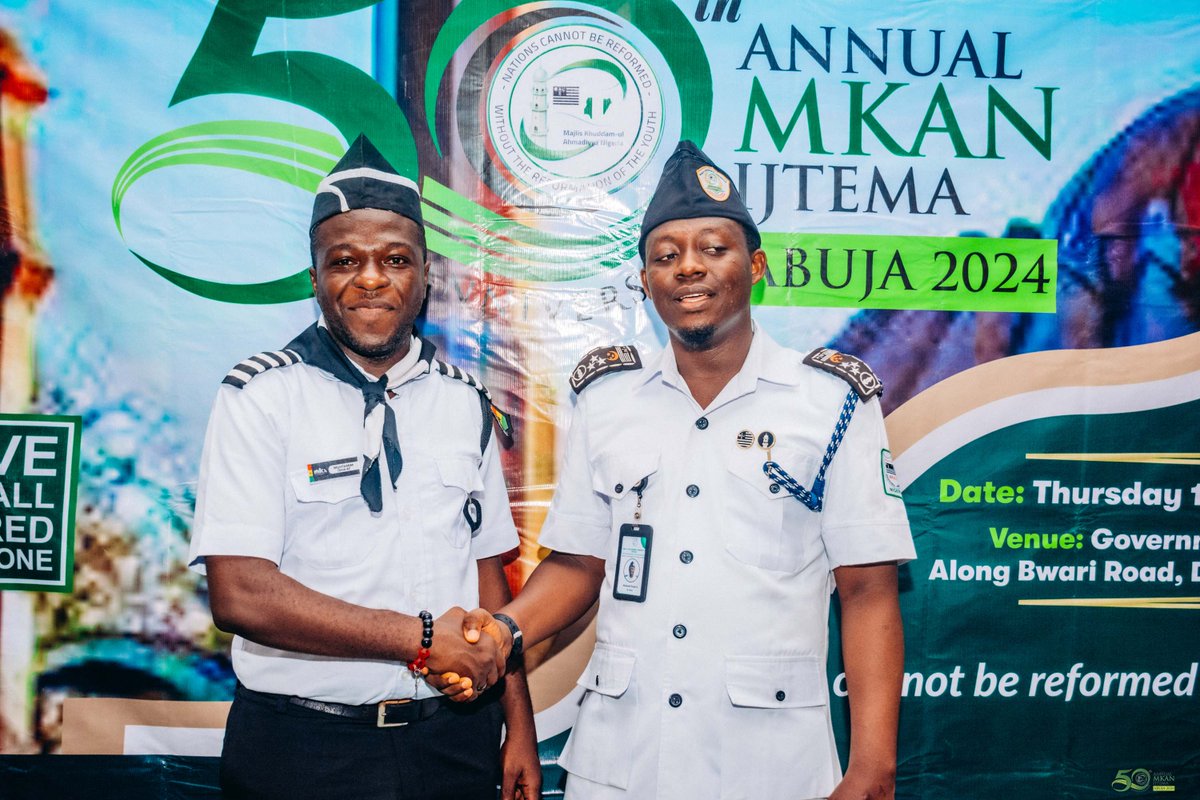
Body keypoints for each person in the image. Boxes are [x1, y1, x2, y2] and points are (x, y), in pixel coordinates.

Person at [469, 141, 916, 799]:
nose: (688, 268)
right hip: (618, 764)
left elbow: (869, 590)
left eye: (713, 248)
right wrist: (499, 634)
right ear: (645, 280)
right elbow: (576, 565)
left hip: (769, 768)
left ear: (755, 265)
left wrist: (873, 769)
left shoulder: (831, 402)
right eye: (666, 255)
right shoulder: (607, 396)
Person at [188, 134, 541, 800]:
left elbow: (488, 573)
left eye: (395, 259)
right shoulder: (260, 397)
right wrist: (422, 638)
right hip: (303, 751)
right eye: (345, 260)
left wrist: (516, 724)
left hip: (453, 743)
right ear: (315, 273)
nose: (371, 280)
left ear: (425, 273)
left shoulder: (464, 403)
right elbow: (240, 595)